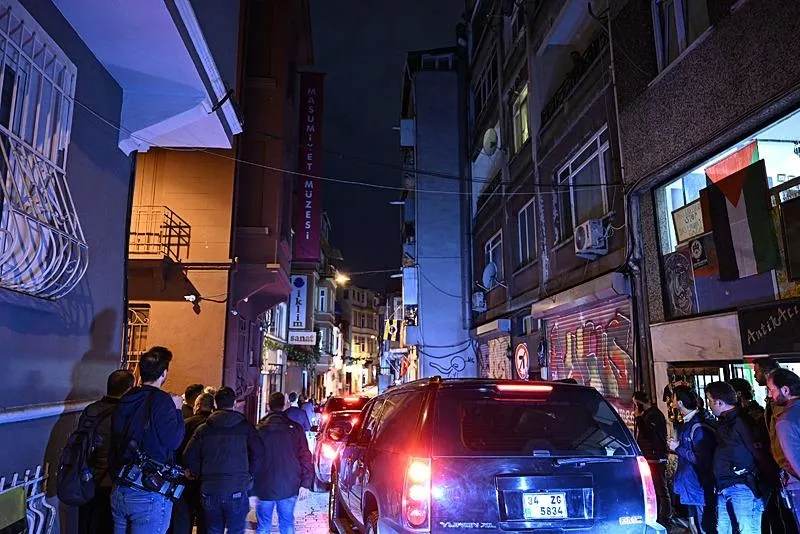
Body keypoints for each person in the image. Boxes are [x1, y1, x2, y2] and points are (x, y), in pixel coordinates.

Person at [110, 347, 185, 534]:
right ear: (164, 373)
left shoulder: (127, 398)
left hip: (121, 487)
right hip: (147, 493)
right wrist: (177, 410)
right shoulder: (162, 401)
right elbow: (174, 441)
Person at [183, 387, 262, 534]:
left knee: (213, 530)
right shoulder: (246, 428)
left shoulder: (204, 429)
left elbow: (189, 455)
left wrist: (198, 473)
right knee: (236, 530)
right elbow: (259, 453)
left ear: (215, 404)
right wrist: (249, 474)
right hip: (237, 487)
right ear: (234, 403)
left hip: (210, 488)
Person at [77, 369, 135, 534]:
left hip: (86, 479)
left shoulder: (91, 410)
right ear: (129, 389)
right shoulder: (125, 414)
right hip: (110, 481)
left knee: (86, 524)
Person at [705, 381, 767, 534]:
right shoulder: (726, 421)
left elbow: (757, 451)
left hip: (742, 485)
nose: (709, 405)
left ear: (719, 402)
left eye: (710, 401)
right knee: (724, 529)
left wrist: (746, 472)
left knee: (745, 529)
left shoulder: (741, 422)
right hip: (726, 484)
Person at [253, 392, 314, 534]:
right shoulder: (295, 428)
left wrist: (251, 488)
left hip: (264, 485)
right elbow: (305, 455)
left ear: (268, 406)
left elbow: (253, 458)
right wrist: (306, 482)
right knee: (287, 524)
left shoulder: (259, 429)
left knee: (263, 526)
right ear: (285, 405)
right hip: (289, 484)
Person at [668, 385, 717, 534]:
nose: (671, 402)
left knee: (702, 525)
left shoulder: (698, 426)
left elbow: (700, 458)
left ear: (680, 403)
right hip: (691, 485)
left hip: (697, 485)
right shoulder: (689, 423)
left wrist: (678, 448)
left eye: (673, 398)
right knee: (695, 525)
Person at [171, 393, 215, 534]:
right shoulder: (216, 426)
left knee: (184, 518)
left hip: (186, 477)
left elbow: (177, 450)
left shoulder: (187, 423)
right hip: (208, 479)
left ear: (198, 406)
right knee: (205, 520)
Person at [632, 391, 673, 526]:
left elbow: (649, 434)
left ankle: (665, 518)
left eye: (635, 404)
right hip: (649, 456)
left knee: (661, 488)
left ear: (640, 403)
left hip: (655, 457)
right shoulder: (647, 415)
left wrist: (639, 418)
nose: (634, 407)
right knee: (654, 489)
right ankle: (659, 516)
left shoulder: (654, 415)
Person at [767, 369, 800, 531]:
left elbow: (795, 462)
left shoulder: (786, 420)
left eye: (772, 390)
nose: (770, 395)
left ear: (785, 390)